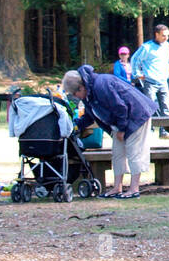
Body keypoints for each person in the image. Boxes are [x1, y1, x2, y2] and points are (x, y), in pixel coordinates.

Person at [62, 66, 155, 198]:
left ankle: (134, 189)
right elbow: (90, 116)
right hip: (120, 122)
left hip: (136, 115)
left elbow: (120, 107)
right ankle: (117, 188)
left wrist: (122, 129)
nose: (74, 97)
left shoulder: (101, 85)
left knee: (134, 151)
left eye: (74, 94)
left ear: (80, 88)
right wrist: (75, 126)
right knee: (117, 153)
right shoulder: (88, 94)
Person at [131, 24, 169, 133]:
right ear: (157, 34)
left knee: (166, 107)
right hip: (150, 81)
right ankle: (148, 130)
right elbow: (135, 59)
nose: (166, 38)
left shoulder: (167, 46)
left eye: (167, 35)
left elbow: (166, 61)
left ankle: (165, 131)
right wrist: (137, 74)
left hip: (163, 81)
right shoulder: (147, 47)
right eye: (163, 35)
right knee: (149, 107)